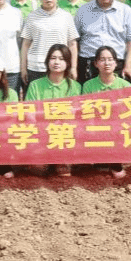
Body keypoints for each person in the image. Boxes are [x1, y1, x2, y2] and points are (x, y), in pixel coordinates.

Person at [25, 44, 80, 177]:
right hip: (41, 133)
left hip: (63, 134)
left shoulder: (75, 87)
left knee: (64, 173)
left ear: (68, 63)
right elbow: (29, 113)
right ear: (47, 61)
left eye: (61, 59)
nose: (56, 62)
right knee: (37, 169)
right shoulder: (35, 85)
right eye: (53, 58)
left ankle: (61, 161)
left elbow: (76, 115)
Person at [75, 0, 131, 85]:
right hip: (88, 63)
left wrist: (128, 66)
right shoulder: (83, 10)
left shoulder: (125, 11)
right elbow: (74, 40)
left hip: (116, 64)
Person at [20, 0, 80, 92]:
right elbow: (26, 44)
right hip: (36, 67)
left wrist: (73, 67)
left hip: (60, 67)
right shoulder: (32, 17)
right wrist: (23, 68)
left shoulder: (66, 17)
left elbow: (72, 44)